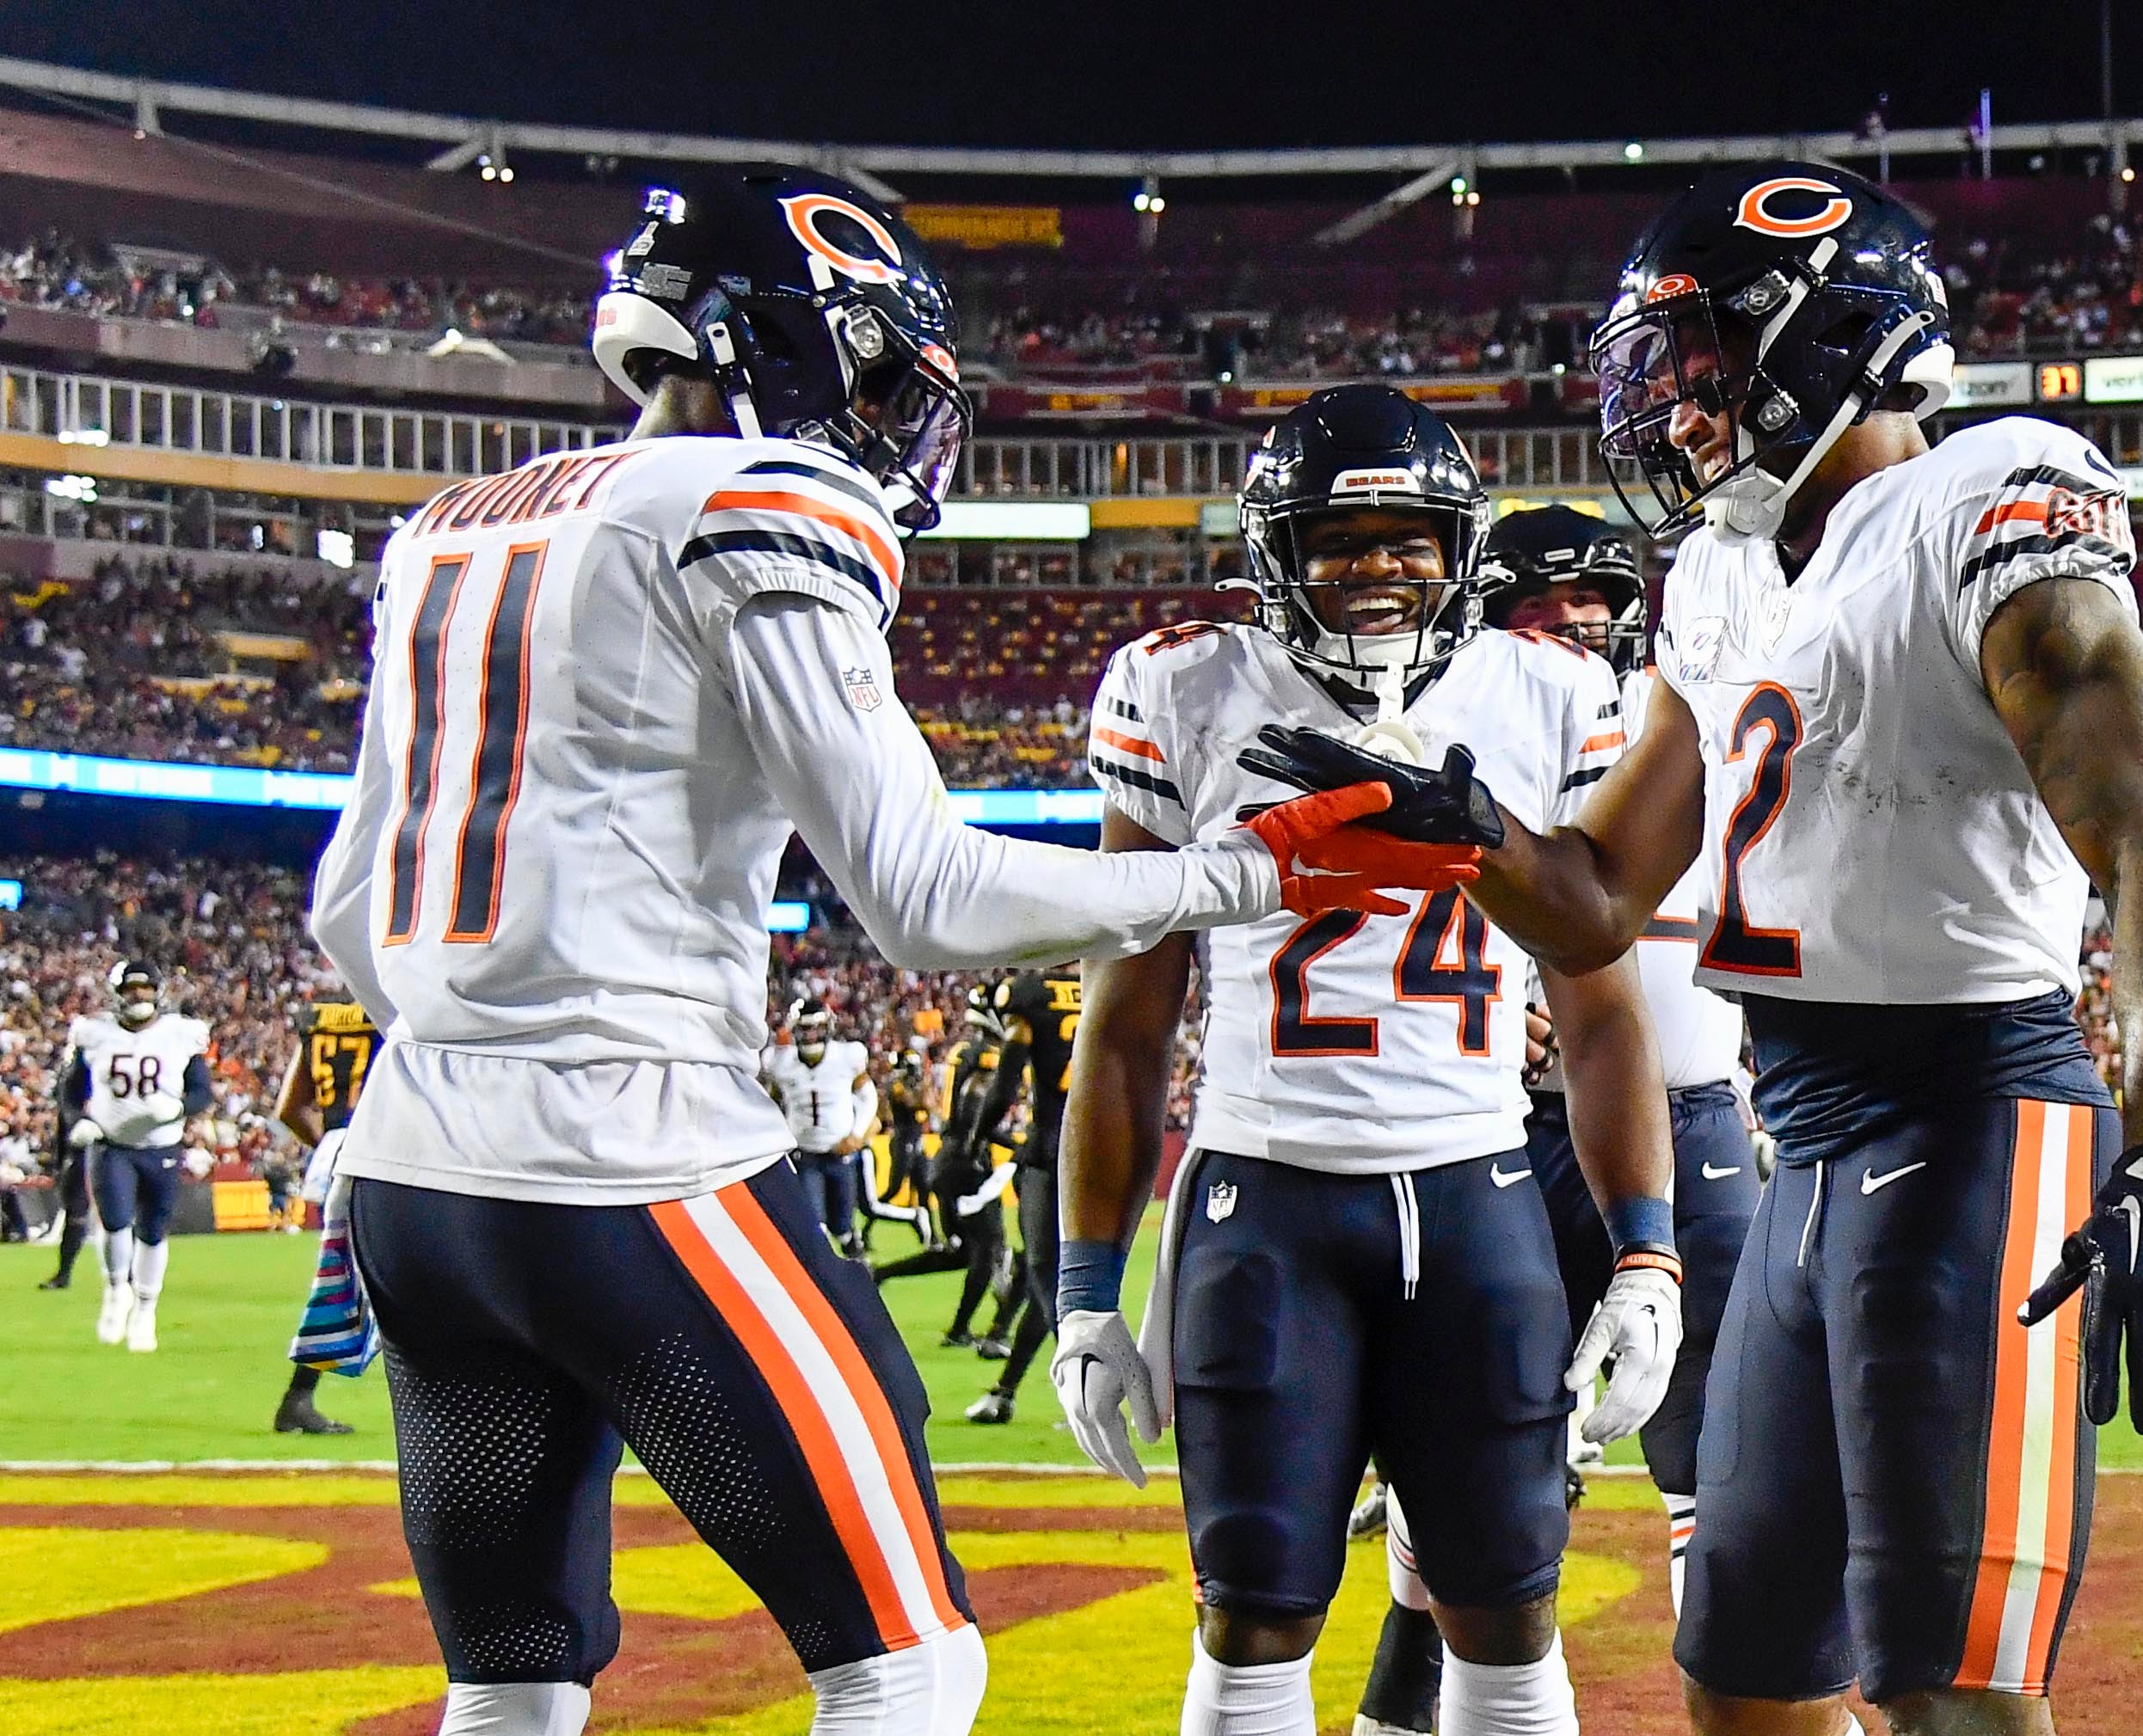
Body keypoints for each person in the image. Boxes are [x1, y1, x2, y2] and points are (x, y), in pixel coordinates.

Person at [305, 167, 1469, 1736]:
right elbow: (920, 897)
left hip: (413, 1172)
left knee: (509, 1679)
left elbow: (341, 903)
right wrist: (1245, 869)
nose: (882, 417)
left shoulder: (458, 521)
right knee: (906, 1659)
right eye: (868, 370)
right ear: (772, 342)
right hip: (624, 1150)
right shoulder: (757, 503)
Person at [1241, 165, 2143, 1736]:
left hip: (1979, 1113)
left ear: (1823, 333)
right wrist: (1450, 823)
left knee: (1949, 1686)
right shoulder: (1715, 572)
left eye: (1695, 369)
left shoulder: (1986, 497)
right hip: (1803, 1152)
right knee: (1748, 1680)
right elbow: (1590, 899)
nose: (1675, 415)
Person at [1053, 383, 1682, 1736]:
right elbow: (1124, 1015)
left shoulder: (1555, 687)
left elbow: (1599, 1004)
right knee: (1253, 1613)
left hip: (1473, 1190)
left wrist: (1644, 1252)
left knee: (1507, 1613)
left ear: (1461, 549)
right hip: (1261, 1195)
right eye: (1344, 537)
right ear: (1277, 548)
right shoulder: (1180, 683)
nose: (1380, 568)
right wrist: (1082, 1285)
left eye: (1410, 538)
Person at [1349, 503, 1772, 1735]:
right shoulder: (1450, 732)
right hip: (1506, 1138)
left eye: (1599, 600)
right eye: (1551, 607)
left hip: (1686, 1127)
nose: (1581, 627)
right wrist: (1485, 1005)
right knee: (1469, 1520)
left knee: (1731, 1489)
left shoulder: (1682, 724)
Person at [61, 960, 217, 1354]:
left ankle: (146, 1309)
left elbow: (201, 1092)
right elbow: (69, 1091)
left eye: (145, 989)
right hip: (111, 1143)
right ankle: (117, 1291)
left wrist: (178, 1108)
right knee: (113, 1222)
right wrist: (79, 1120)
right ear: (117, 993)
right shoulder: (93, 1034)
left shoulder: (180, 1034)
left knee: (152, 1230)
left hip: (162, 1144)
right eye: (132, 990)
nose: (139, 997)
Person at [958, 964, 1082, 1426]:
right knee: (1053, 1280)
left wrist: (977, 1136)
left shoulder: (1029, 995)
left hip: (1053, 1148)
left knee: (1044, 1273)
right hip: (1104, 1145)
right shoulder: (1102, 977)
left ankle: (1087, 1390)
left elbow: (1006, 1085)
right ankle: (1005, 1392)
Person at [873, 997, 1022, 1354]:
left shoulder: (964, 1050)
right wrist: (1013, 1142)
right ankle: (970, 1331)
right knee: (987, 1251)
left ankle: (880, 1274)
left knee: (963, 1253)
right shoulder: (986, 1053)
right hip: (966, 1162)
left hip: (950, 1160)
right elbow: (973, 1110)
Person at [267, 996, 381, 1434]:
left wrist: (330, 1148)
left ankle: (298, 1400)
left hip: (341, 1148)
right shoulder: (392, 1006)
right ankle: (297, 1399)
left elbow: (291, 1109)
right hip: (386, 1148)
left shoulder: (320, 1017)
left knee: (351, 1279)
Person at [759, 999, 877, 1256]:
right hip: (805, 1155)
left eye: (816, 1028)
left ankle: (859, 1269)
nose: (811, 1035)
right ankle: (822, 1279)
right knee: (814, 1226)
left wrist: (857, 1134)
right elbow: (770, 1103)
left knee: (843, 1227)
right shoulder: (778, 1062)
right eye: (804, 1029)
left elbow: (869, 1096)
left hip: (840, 1154)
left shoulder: (847, 1056)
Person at [34, 1060, 90, 1291]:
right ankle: (63, 1273)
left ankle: (131, 1275)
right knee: (76, 1214)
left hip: (114, 1150)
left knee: (122, 1215)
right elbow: (65, 1121)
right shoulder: (74, 1082)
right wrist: (60, 1161)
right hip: (82, 1152)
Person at [870, 1050, 938, 1242]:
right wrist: (924, 1087)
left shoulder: (912, 1084)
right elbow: (916, 1103)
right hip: (903, 1141)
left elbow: (931, 1105)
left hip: (917, 1141)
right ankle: (869, 1224)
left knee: (924, 1188)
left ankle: (932, 1236)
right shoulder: (896, 1084)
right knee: (894, 1189)